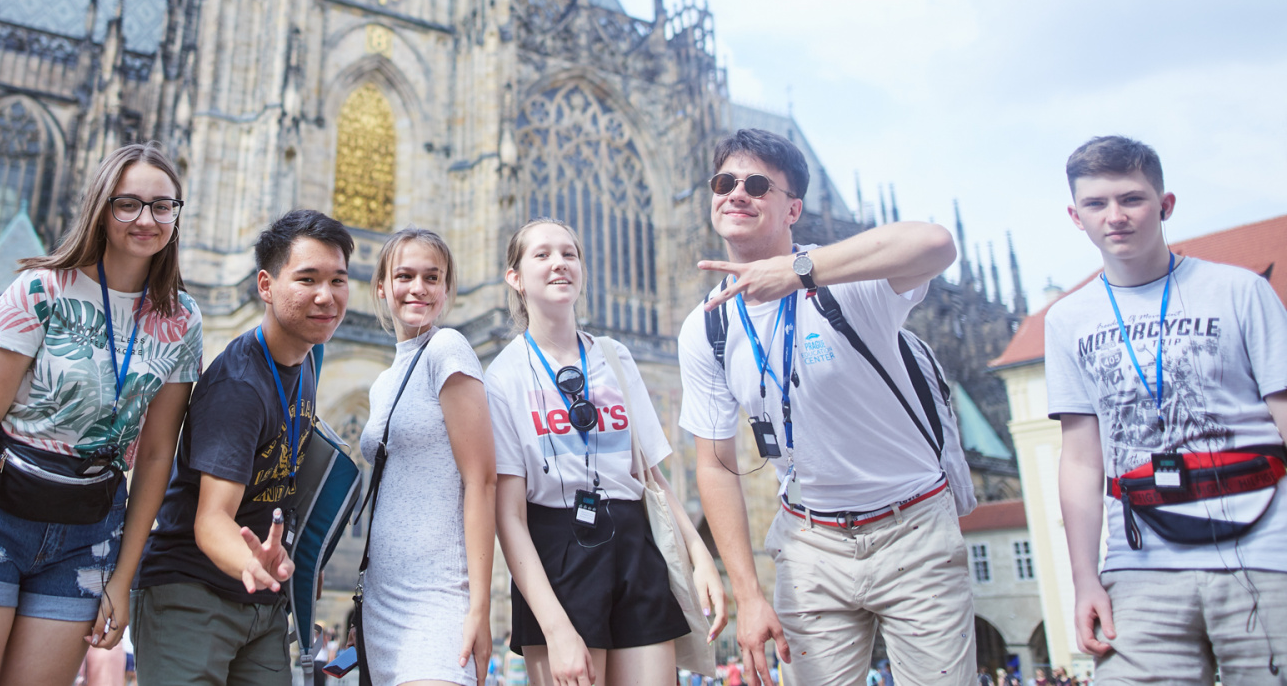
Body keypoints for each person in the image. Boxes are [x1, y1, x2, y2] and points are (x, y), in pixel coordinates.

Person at [678, 127, 969, 686]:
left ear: (794, 209)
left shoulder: (847, 279)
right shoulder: (707, 326)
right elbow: (714, 463)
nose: (737, 192)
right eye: (725, 181)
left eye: (758, 185)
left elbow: (937, 245)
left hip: (910, 526)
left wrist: (801, 270)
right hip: (809, 541)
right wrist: (749, 595)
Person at [0, 144, 203, 686]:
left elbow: (159, 452)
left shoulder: (181, 318)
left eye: (163, 206)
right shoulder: (40, 289)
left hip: (88, 535)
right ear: (100, 206)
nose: (147, 219)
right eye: (129, 204)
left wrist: (122, 575)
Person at [1046, 136, 1287, 686]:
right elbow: (1082, 459)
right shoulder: (1066, 321)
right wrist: (1086, 578)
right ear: (1075, 217)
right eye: (1096, 204)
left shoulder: (1239, 290)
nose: (1116, 217)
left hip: (1266, 549)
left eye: (1131, 199)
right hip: (1141, 565)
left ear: (1165, 204)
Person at [487, 218, 726, 686]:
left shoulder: (615, 356)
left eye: (570, 253)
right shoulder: (502, 377)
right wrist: (556, 630)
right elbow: (509, 517)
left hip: (634, 546)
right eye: (543, 254)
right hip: (557, 553)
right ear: (515, 278)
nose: (560, 262)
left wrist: (700, 557)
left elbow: (652, 480)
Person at [132, 209, 354, 686]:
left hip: (262, 601)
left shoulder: (308, 356)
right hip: (193, 595)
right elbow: (211, 518)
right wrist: (256, 564)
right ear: (266, 286)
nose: (326, 296)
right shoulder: (240, 386)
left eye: (338, 280)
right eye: (307, 279)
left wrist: (288, 567)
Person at [358, 227, 496, 686]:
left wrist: (479, 605)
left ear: (446, 288)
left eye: (432, 278)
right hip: (381, 600)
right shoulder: (383, 382)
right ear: (382, 287)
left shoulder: (447, 349)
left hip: (438, 598)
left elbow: (482, 481)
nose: (418, 288)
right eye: (405, 276)